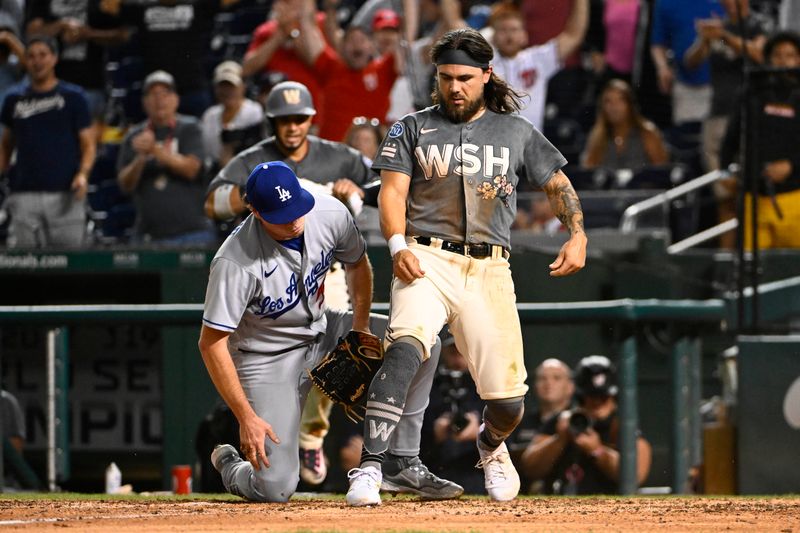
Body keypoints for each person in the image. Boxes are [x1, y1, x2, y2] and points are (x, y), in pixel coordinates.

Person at [345, 27, 587, 506]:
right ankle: (370, 469)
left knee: (509, 402)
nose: (454, 87)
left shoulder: (515, 129)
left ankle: (491, 446)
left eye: (464, 78)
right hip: (424, 256)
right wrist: (397, 246)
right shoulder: (411, 126)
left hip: (489, 269)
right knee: (405, 348)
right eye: (446, 77)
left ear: (486, 76)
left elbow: (557, 183)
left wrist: (578, 233)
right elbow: (392, 191)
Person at [200, 161, 459, 502]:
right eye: (281, 214)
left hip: (324, 330)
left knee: (424, 343)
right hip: (265, 358)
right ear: (255, 211)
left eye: (297, 206)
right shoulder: (234, 262)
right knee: (276, 488)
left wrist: (360, 327)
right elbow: (212, 344)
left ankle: (401, 460)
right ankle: (233, 466)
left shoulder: (326, 211)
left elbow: (356, 263)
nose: (294, 218)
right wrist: (245, 417)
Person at [0, 35, 95, 248]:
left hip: (65, 194)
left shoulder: (74, 97)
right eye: (31, 56)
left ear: (54, 58)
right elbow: (6, 144)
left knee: (70, 267)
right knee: (25, 268)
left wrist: (83, 174)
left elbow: (88, 144)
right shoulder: (13, 99)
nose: (37, 61)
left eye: (43, 55)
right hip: (23, 194)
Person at [519, 355, 652, 495]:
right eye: (591, 397)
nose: (597, 402)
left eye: (603, 397)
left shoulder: (621, 424)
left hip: (612, 509)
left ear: (613, 397)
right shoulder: (564, 421)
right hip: (560, 508)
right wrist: (560, 439)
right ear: (581, 398)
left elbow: (636, 475)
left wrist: (597, 451)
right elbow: (530, 467)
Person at [720, 30, 800, 250]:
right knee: (751, 267)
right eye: (778, 55)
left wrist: (792, 166)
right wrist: (726, 170)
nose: (783, 61)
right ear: (768, 58)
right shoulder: (752, 93)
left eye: (790, 55)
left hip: (795, 197)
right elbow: (732, 136)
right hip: (755, 196)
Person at [116, 70, 215, 246]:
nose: (159, 99)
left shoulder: (190, 129)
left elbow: (192, 170)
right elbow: (125, 185)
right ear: (144, 102)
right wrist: (140, 158)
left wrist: (155, 150)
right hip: (148, 237)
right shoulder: (134, 136)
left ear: (176, 99)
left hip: (193, 234)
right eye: (153, 94)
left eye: (165, 93)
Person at [295, 0, 402, 142]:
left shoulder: (383, 70)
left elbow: (404, 38)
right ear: (342, 47)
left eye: (362, 40)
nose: (357, 44)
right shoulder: (330, 67)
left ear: (371, 46)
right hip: (332, 152)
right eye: (351, 40)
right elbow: (307, 27)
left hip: (370, 156)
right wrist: (328, 7)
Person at [489, 0, 589, 131]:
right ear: (494, 36)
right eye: (503, 30)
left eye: (514, 30)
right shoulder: (483, 62)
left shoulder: (537, 59)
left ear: (524, 35)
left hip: (531, 146)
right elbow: (456, 28)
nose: (509, 36)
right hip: (495, 146)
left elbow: (574, 35)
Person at [650, 0, 724, 126]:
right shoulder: (665, 3)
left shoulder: (725, 3)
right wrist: (662, 68)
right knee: (687, 139)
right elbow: (658, 42)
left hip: (722, 86)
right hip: (686, 86)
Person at [507, 358, 574, 493]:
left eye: (557, 378)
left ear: (570, 387)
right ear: (535, 385)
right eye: (543, 379)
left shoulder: (579, 420)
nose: (549, 384)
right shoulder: (520, 421)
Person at [581, 79, 669, 173]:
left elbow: (661, 172)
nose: (614, 107)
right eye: (608, 101)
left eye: (620, 100)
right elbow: (588, 172)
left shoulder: (648, 133)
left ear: (630, 105)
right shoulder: (597, 137)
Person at [201, 61, 263, 173]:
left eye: (232, 86)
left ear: (243, 87)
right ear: (215, 89)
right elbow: (207, 153)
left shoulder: (254, 111)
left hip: (249, 170)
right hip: (215, 171)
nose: (227, 91)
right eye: (223, 86)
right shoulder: (210, 115)